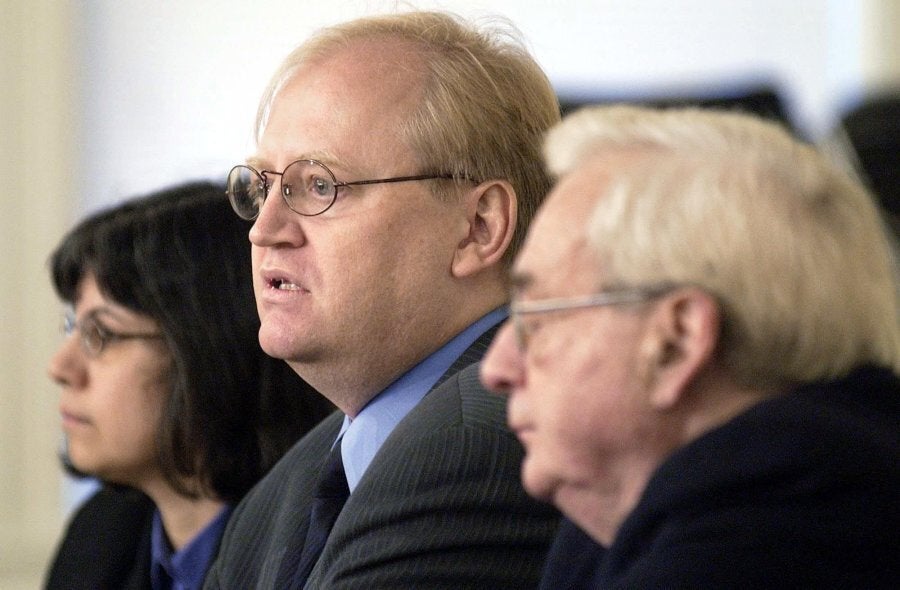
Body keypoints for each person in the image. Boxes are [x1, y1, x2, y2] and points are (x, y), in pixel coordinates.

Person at [205, 10, 561, 590]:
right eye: (262, 186)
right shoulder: (282, 495)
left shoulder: (483, 446)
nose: (264, 229)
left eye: (319, 186)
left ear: (478, 227)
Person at [480, 103, 900, 588]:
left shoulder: (763, 556)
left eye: (538, 318)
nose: (497, 367)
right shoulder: (623, 529)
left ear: (676, 343)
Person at [45, 181, 334, 590]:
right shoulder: (101, 536)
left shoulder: (316, 550)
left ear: (205, 350)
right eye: (74, 328)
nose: (60, 367)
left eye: (101, 334)